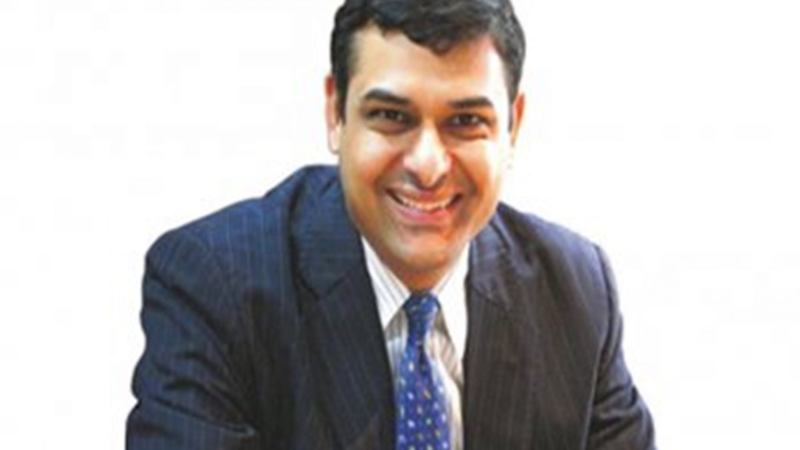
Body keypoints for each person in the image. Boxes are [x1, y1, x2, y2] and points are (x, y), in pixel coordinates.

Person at [126, 0, 656, 448]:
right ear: (336, 113)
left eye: (465, 122)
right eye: (392, 117)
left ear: (512, 126)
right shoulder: (214, 284)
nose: (428, 165)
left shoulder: (577, 290)